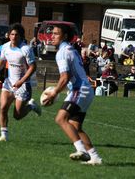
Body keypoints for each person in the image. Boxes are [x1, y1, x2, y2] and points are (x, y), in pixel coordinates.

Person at [43, 24, 102, 165]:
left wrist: (54, 93)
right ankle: (95, 157)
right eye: (52, 33)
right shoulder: (71, 49)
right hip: (86, 91)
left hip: (79, 90)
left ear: (64, 36)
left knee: (60, 118)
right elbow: (66, 76)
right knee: (75, 126)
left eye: (56, 33)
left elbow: (65, 77)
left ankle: (81, 150)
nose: (52, 36)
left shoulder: (62, 52)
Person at [0, 23, 41, 142]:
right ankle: (4, 136)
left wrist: (21, 81)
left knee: (17, 116)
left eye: (16, 35)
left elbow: (33, 67)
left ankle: (31, 106)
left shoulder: (25, 49)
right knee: (3, 108)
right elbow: (2, 62)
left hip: (23, 85)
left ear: (20, 36)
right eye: (12, 34)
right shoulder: (5, 47)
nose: (13, 37)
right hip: (9, 83)